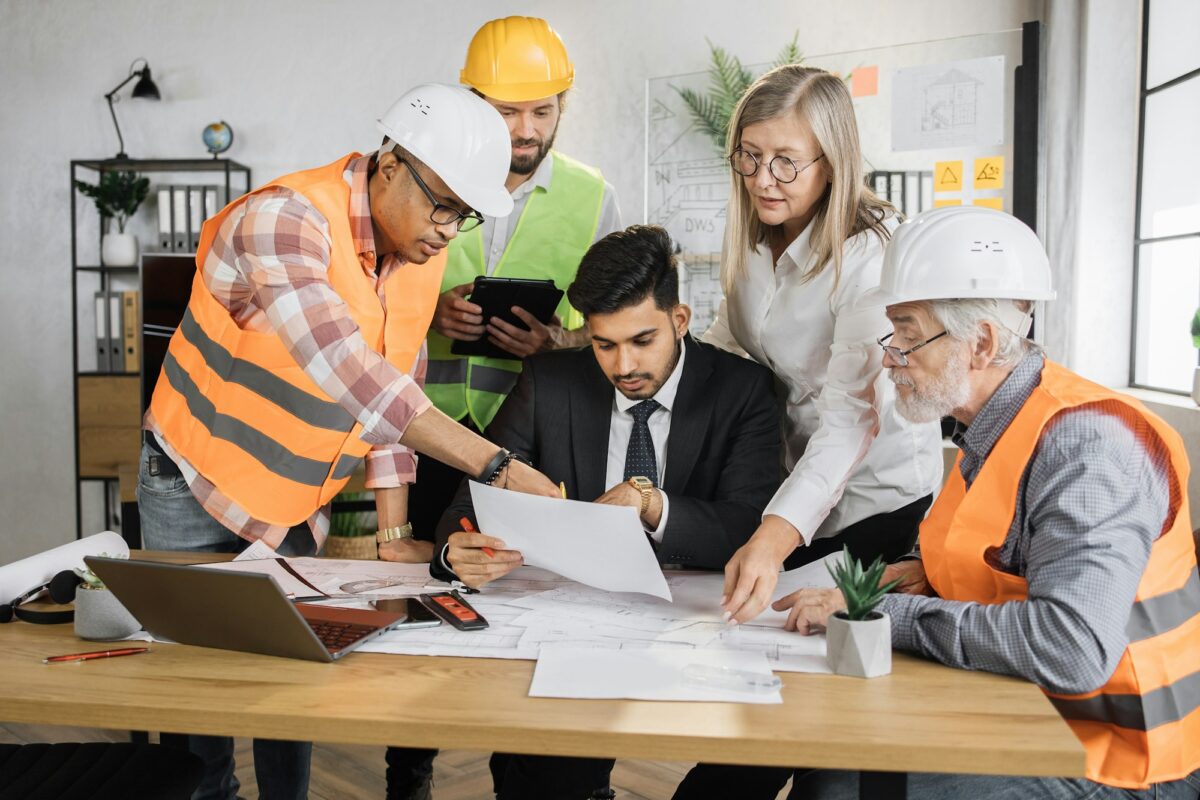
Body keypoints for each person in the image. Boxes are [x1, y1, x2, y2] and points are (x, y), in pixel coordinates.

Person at [137, 83, 560, 800]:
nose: (448, 231)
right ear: (391, 167)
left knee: (291, 676)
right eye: (444, 206)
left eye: (463, 216)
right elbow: (349, 371)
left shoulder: (421, 256)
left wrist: (393, 530)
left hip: (292, 495)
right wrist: (493, 463)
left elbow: (397, 378)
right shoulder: (284, 220)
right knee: (194, 685)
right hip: (194, 475)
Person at [702, 206, 1200, 800]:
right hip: (1030, 708)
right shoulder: (990, 430)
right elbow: (999, 561)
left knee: (837, 787)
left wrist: (883, 615)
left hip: (1114, 753)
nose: (890, 357)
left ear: (981, 343)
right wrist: (911, 577)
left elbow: (1072, 648)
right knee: (826, 761)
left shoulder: (1088, 449)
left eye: (908, 336)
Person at [386, 225, 782, 800]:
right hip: (572, 623)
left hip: (697, 619)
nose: (623, 365)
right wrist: (454, 552)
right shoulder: (549, 383)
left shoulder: (743, 390)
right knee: (546, 778)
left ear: (680, 319)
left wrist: (651, 503)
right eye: (603, 344)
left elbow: (748, 526)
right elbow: (467, 506)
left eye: (642, 340)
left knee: (748, 766)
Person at [701, 65, 943, 629]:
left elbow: (851, 423)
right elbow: (726, 343)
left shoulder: (871, 257)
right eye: (750, 156)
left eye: (787, 161)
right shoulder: (755, 234)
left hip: (874, 499)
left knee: (822, 644)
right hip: (795, 482)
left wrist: (772, 537)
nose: (763, 179)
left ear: (831, 164)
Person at [403, 15, 623, 557]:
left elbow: (621, 324)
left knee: (538, 576)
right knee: (439, 574)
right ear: (476, 106)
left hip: (542, 429)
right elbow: (377, 292)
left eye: (542, 111)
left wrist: (556, 343)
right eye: (507, 112)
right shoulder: (426, 177)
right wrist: (431, 314)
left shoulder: (594, 196)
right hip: (432, 428)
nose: (527, 129)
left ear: (561, 108)